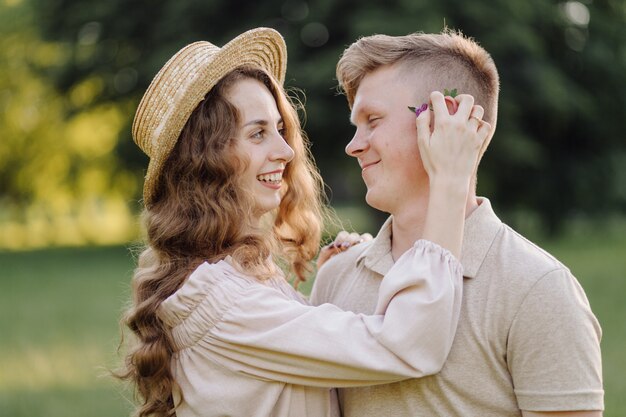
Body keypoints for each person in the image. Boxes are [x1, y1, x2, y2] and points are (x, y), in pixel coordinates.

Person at [116, 27, 492, 417]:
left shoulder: (230, 280)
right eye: (258, 133)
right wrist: (449, 180)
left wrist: (322, 301)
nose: (284, 150)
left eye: (280, 129)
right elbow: (408, 345)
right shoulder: (223, 301)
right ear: (207, 159)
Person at [310, 29, 604, 417]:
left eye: (373, 121)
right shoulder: (336, 276)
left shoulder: (538, 288)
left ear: (445, 121)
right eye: (355, 125)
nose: (353, 145)